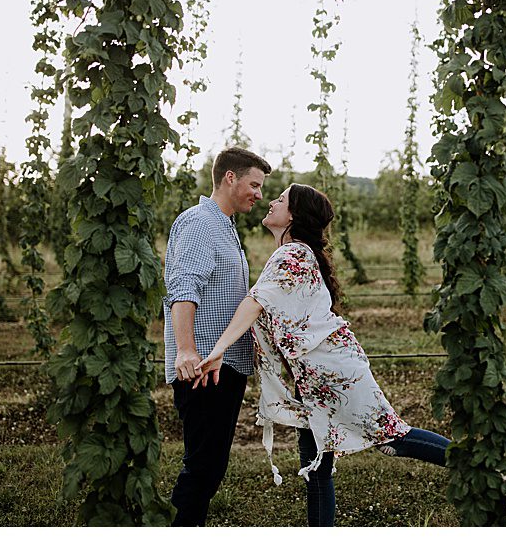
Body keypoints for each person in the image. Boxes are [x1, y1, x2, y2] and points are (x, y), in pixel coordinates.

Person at [191, 183, 449, 527]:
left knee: (392, 437)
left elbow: (254, 302)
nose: (271, 202)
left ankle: (479, 464)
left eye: (280, 199)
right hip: (313, 375)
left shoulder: (292, 253)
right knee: (317, 465)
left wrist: (218, 350)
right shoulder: (293, 253)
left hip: (333, 371)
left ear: (294, 214)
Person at [164, 147, 271, 526]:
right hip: (204, 368)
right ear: (230, 177)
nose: (259, 194)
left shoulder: (223, 226)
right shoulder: (200, 223)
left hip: (225, 365)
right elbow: (183, 288)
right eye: (254, 184)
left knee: (209, 468)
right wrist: (186, 350)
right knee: (202, 469)